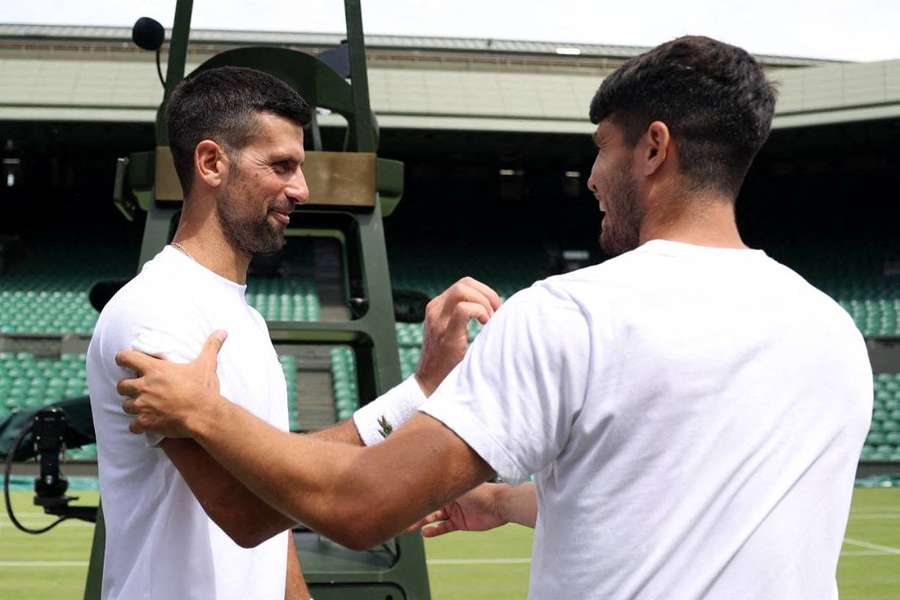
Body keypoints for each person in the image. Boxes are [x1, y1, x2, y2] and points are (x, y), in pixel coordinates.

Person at [115, 36, 873, 599]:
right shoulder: (832, 331)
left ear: (654, 150)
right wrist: (504, 499)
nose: (591, 177)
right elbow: (663, 484)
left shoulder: (573, 313)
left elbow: (355, 506)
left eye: (601, 150)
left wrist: (207, 414)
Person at [87, 65, 500, 600]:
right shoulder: (156, 313)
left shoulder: (243, 319)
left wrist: (420, 389)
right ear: (212, 162)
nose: (301, 189)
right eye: (281, 166)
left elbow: (271, 492)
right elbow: (248, 511)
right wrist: (407, 417)